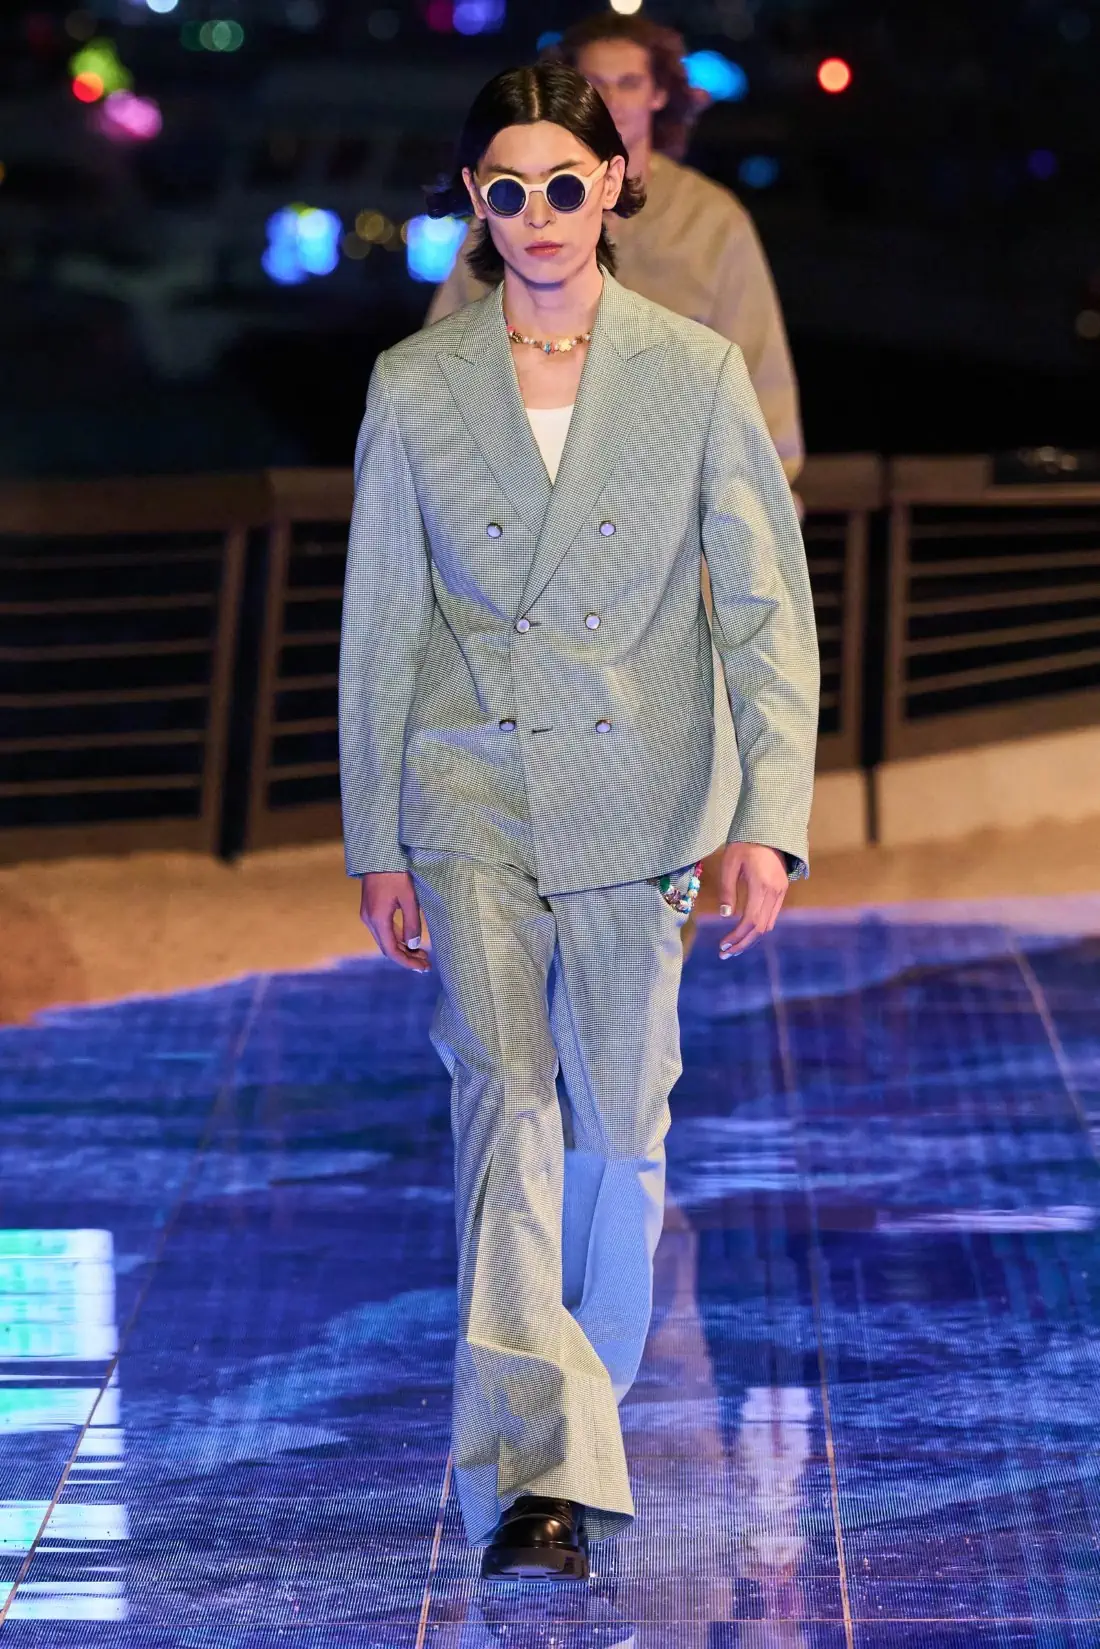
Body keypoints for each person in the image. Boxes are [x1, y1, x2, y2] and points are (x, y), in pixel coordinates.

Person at [338, 62, 819, 1582]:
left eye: (564, 181)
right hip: (467, 789)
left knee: (620, 1125)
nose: (538, 214)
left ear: (614, 182)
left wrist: (768, 814)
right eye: (507, 187)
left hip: (643, 796)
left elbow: (763, 610)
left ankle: (578, 1416)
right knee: (505, 1102)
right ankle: (540, 1472)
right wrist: (374, 834)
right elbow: (381, 623)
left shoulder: (694, 370)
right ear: (473, 204)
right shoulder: (417, 385)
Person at [424, 11, 803, 484]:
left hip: (671, 496)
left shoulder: (713, 220)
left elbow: (763, 387)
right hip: (525, 490)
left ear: (658, 93)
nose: (612, 100)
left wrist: (752, 506)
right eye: (596, 84)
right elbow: (440, 362)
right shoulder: (513, 205)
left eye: (629, 83)